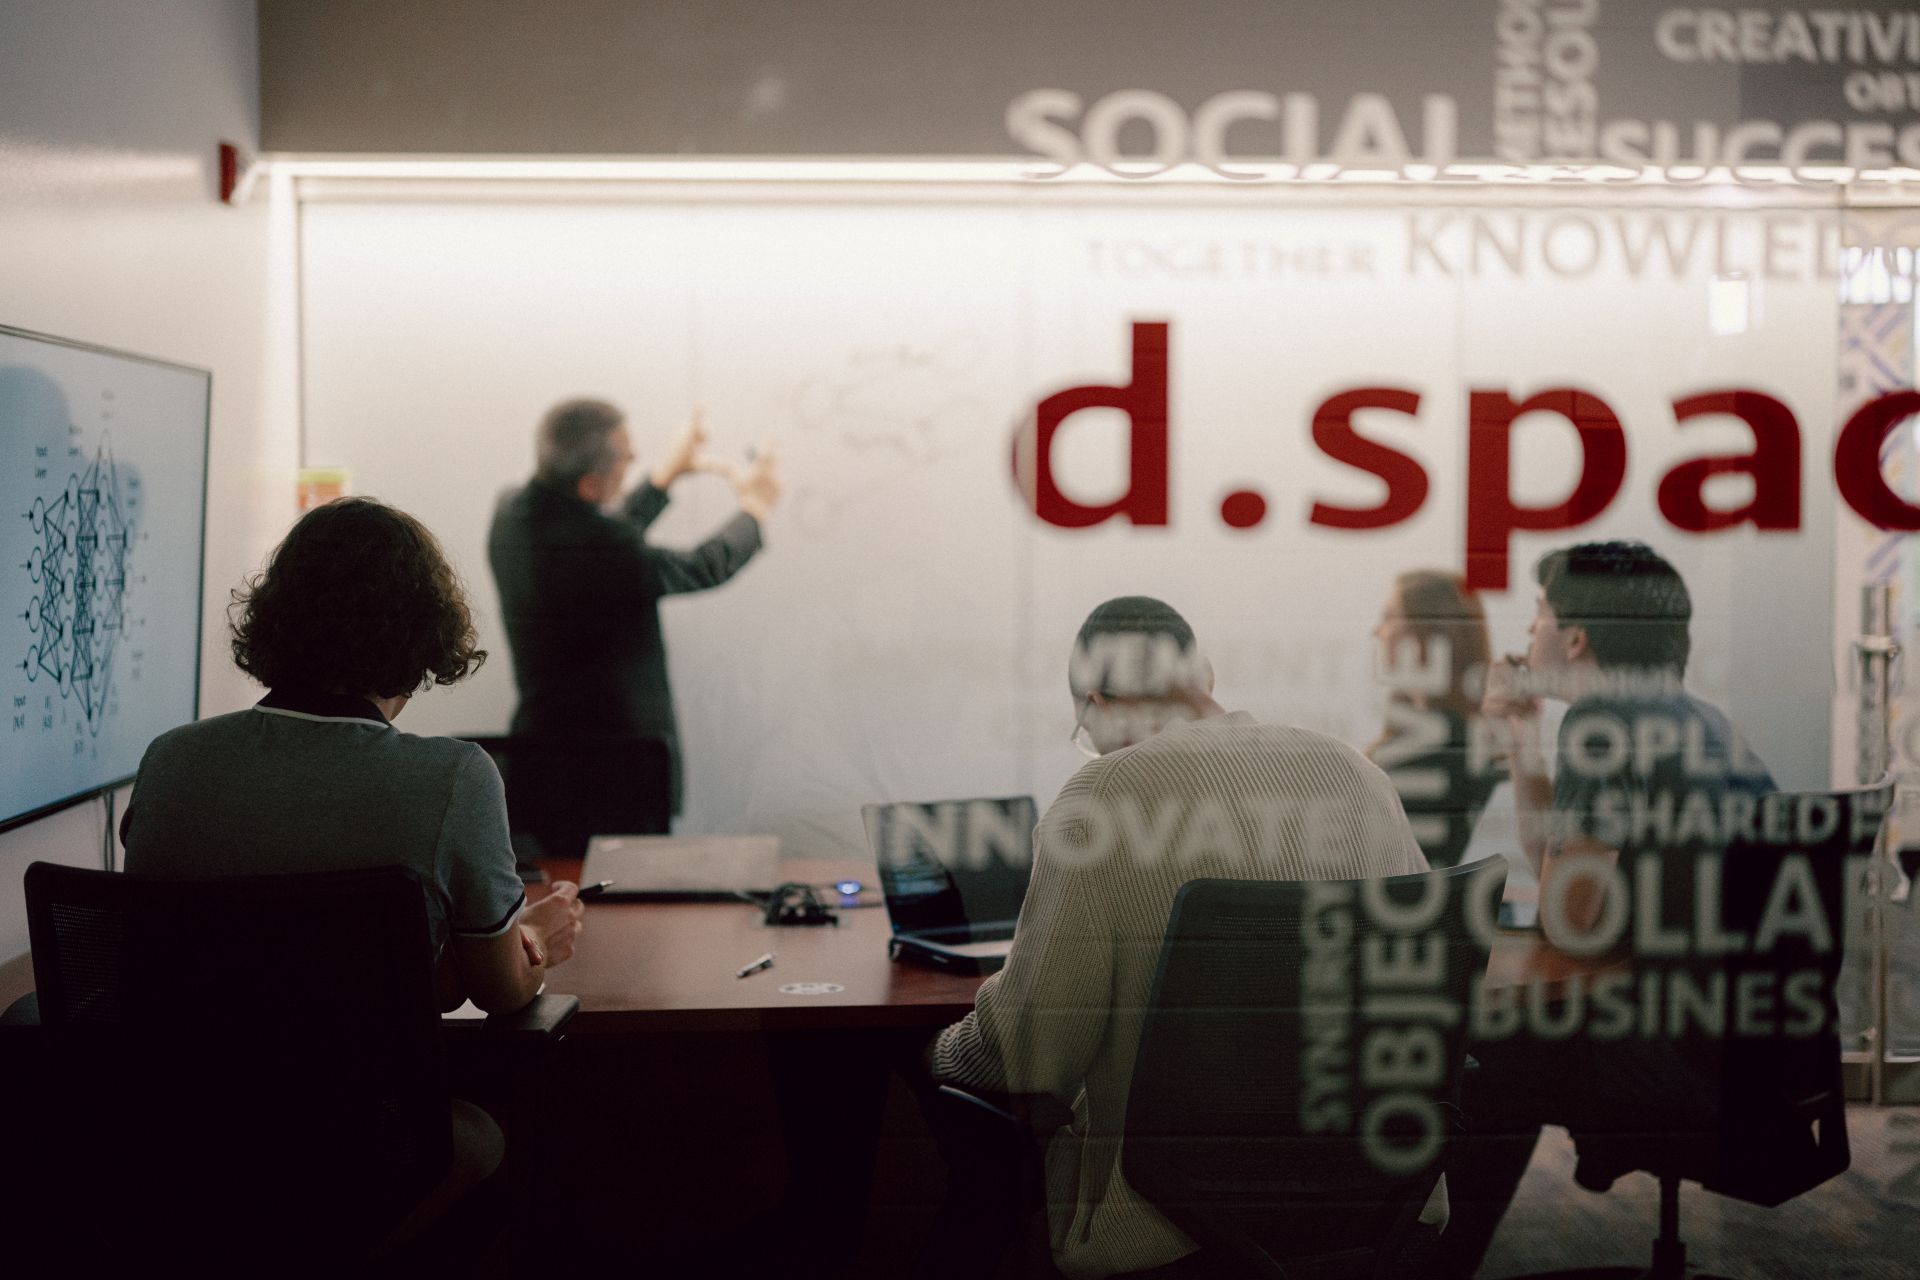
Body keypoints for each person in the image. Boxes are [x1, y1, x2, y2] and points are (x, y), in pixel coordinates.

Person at [921, 596, 1433, 1280]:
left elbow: (1031, 1054)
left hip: (1168, 1225)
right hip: (1374, 1196)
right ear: (1207, 674)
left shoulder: (1101, 797)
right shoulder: (1360, 775)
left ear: (1099, 702)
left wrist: (938, 1048)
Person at [119, 497, 586, 1245]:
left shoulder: (171, 759)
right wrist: (529, 939)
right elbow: (501, 995)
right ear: (422, 633)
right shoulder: (453, 777)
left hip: (179, 1144)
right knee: (504, 1129)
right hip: (360, 1149)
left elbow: (242, 961)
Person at [1437, 540, 1776, 1278]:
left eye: (1538, 616)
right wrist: (1524, 737)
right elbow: (1564, 873)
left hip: (1672, 1064)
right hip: (1755, 1056)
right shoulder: (1702, 722)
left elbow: (1571, 921)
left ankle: (1427, 1261)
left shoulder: (1605, 724)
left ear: (1576, 638)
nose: (1528, 635)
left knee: (1468, 1049)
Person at [487, 399, 780, 833]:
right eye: (626, 456)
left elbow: (597, 538)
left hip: (540, 761)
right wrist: (755, 508)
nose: (634, 460)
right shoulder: (606, 551)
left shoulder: (511, 513)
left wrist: (663, 478)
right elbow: (701, 566)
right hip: (617, 774)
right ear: (589, 484)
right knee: (625, 897)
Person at [1368, 569, 1502, 868]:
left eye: (1390, 617)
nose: (1378, 631)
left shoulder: (1434, 749)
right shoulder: (1479, 741)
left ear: (1425, 635)